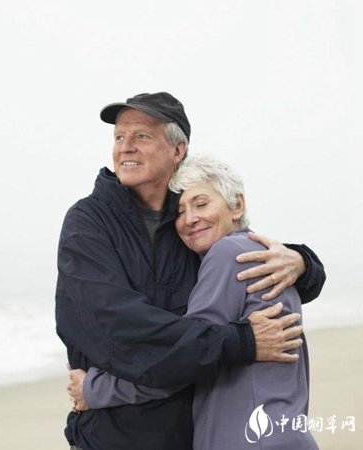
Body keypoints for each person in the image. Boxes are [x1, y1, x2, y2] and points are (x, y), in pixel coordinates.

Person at [55, 92, 326, 450]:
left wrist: (304, 263)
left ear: (177, 150)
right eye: (119, 137)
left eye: (142, 136)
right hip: (111, 438)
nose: (126, 147)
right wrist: (241, 342)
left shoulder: (191, 229)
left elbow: (246, 268)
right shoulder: (88, 223)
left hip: (190, 438)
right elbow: (122, 333)